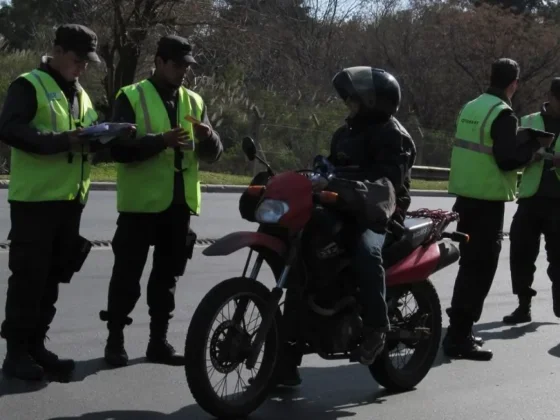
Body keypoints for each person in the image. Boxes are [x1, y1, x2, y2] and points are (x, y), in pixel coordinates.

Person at [279, 66, 417, 386]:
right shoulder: (345, 133)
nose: (348, 103)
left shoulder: (394, 136)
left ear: (372, 101)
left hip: (379, 213)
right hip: (340, 206)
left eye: (354, 99)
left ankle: (376, 329)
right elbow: (331, 164)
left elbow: (388, 184)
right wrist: (315, 173)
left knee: (366, 253)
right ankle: (285, 359)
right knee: (303, 260)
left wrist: (339, 183)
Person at [99, 35, 223, 367]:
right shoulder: (131, 96)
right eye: (177, 64)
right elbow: (118, 150)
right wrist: (161, 141)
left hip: (178, 206)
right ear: (159, 62)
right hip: (140, 205)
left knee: (167, 278)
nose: (184, 70)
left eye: (187, 65)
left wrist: (209, 137)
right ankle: (115, 341)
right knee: (126, 276)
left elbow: (214, 152)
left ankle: (158, 342)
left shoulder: (194, 102)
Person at [0, 24, 104, 380]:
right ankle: (15, 355)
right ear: (57, 51)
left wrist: (103, 138)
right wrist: (64, 140)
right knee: (28, 280)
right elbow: (11, 129)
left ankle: (36, 347)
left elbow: (82, 135)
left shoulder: (80, 94)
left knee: (52, 279)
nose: (83, 68)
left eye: (87, 62)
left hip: (70, 202)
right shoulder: (29, 85)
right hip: (36, 202)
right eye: (77, 60)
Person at [443, 58, 552, 361]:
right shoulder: (503, 113)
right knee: (480, 270)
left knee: (468, 268)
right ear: (513, 83)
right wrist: (531, 147)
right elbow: (506, 160)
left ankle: (457, 330)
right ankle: (459, 337)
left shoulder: (471, 107)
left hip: (464, 199)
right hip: (486, 203)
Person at [502, 78, 560, 324]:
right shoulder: (528, 122)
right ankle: (523, 305)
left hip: (558, 202)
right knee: (521, 254)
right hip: (530, 198)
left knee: (558, 259)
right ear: (552, 97)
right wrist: (532, 157)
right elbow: (514, 155)